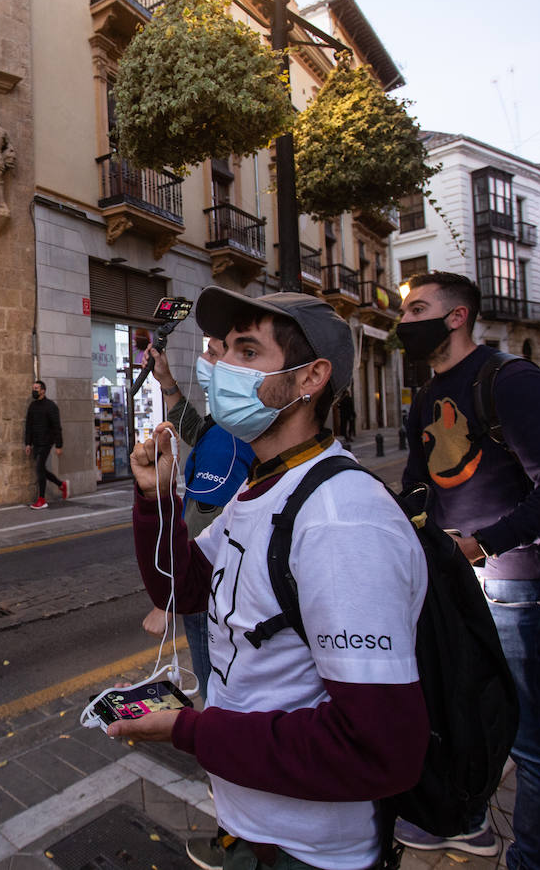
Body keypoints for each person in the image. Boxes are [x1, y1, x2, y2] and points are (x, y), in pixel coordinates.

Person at [116, 287, 429, 870]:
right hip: (257, 827)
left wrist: (190, 731)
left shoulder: (342, 522)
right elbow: (182, 588)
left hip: (312, 851)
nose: (220, 366)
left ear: (310, 378)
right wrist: (157, 500)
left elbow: (378, 748)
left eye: (246, 350)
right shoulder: (263, 487)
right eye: (222, 350)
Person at [394, 271, 540, 868]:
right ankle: (466, 819)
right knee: (459, 709)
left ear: (457, 317)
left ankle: (534, 860)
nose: (404, 322)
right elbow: (419, 481)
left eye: (417, 310)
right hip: (452, 579)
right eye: (405, 313)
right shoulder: (429, 392)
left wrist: (482, 546)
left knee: (527, 735)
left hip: (516, 586)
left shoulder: (511, 381)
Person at [139, 337, 255, 706]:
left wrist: (169, 598)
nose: (203, 358)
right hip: (223, 588)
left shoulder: (227, 443)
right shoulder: (228, 427)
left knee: (214, 683)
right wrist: (167, 382)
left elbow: (204, 524)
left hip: (209, 594)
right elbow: (195, 430)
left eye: (213, 352)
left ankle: (216, 750)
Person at [24, 380, 66, 510]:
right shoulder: (32, 406)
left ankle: (42, 500)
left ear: (43, 390)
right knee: (41, 469)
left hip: (46, 443)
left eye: (36, 388)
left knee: (39, 469)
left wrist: (59, 445)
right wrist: (28, 443)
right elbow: (28, 426)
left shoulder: (51, 406)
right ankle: (61, 484)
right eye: (33, 388)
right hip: (36, 443)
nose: (34, 391)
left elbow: (57, 427)